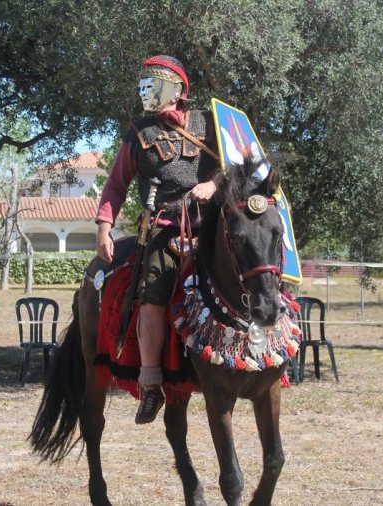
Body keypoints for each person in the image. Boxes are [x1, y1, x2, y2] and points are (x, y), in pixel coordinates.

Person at [95, 55, 219, 424]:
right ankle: (151, 385)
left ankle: (259, 360)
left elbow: (235, 169)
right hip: (165, 229)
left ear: (178, 90)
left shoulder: (209, 123)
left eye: (156, 83)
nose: (147, 90)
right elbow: (117, 184)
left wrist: (213, 184)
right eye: (144, 83)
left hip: (210, 228)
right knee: (152, 297)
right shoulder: (139, 132)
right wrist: (104, 226)